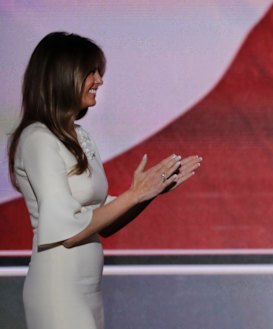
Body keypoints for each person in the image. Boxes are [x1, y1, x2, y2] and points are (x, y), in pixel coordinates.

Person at [7, 32, 203, 329]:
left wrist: (150, 192)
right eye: (91, 72)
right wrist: (135, 194)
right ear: (62, 75)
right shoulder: (38, 139)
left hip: (89, 289)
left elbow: (104, 222)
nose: (99, 80)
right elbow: (65, 230)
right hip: (58, 290)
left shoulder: (79, 136)